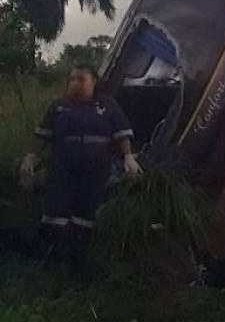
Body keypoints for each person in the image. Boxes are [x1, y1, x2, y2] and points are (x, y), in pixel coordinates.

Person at [19, 65, 142, 237]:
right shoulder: (58, 107)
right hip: (62, 168)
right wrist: (30, 157)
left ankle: (78, 251)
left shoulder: (107, 105)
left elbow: (122, 134)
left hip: (96, 169)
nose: (75, 83)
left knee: (86, 213)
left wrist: (128, 157)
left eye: (81, 79)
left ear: (93, 82)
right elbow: (42, 136)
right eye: (72, 79)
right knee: (55, 211)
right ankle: (51, 251)